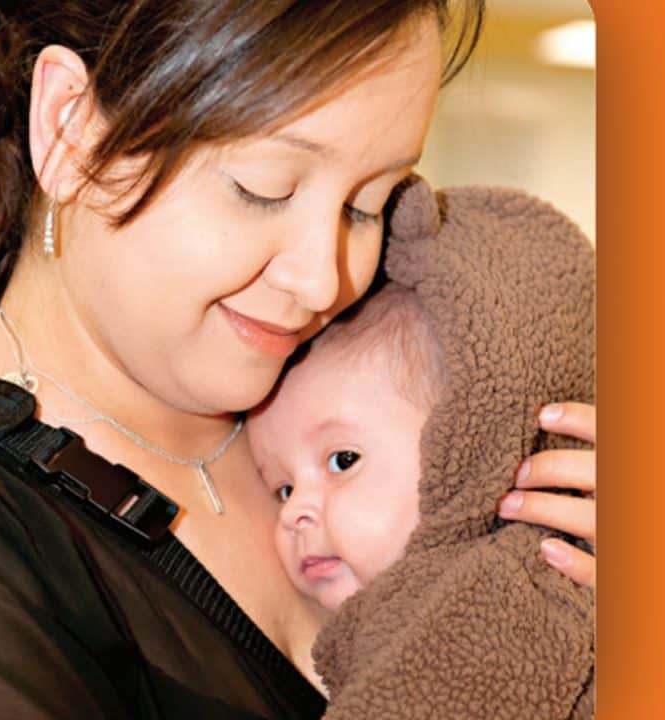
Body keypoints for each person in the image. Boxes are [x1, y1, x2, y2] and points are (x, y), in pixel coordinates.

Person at [0, 1, 596, 718]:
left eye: (368, 205)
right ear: (70, 128)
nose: (324, 281)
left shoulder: (410, 352)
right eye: (265, 190)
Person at [246, 179, 595, 719]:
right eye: (283, 487)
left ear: (469, 441)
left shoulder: (498, 603)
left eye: (343, 460)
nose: (294, 511)